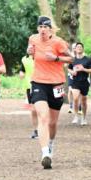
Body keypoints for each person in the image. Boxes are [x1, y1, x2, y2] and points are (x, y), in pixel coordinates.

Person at [26, 16, 73, 169]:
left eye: (45, 27)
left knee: (52, 123)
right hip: (38, 82)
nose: (42, 30)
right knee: (43, 117)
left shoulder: (58, 42)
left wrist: (56, 58)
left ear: (50, 28)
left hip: (56, 84)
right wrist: (29, 51)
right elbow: (32, 54)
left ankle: (51, 143)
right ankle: (45, 153)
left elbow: (71, 59)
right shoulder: (33, 39)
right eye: (40, 27)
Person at [68, 42, 91, 126]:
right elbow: (69, 69)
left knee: (84, 101)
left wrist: (83, 69)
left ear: (82, 49)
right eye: (77, 47)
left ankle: (84, 118)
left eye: (80, 47)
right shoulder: (73, 60)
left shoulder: (87, 59)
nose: (79, 48)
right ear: (75, 49)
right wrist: (72, 72)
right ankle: (76, 116)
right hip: (75, 82)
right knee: (75, 98)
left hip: (84, 82)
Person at [19, 52, 39, 139]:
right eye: (29, 47)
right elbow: (22, 70)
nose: (30, 48)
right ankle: (36, 130)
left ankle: (44, 128)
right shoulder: (24, 59)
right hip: (29, 86)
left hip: (41, 85)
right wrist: (21, 73)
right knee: (33, 109)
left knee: (43, 108)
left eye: (32, 47)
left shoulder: (40, 57)